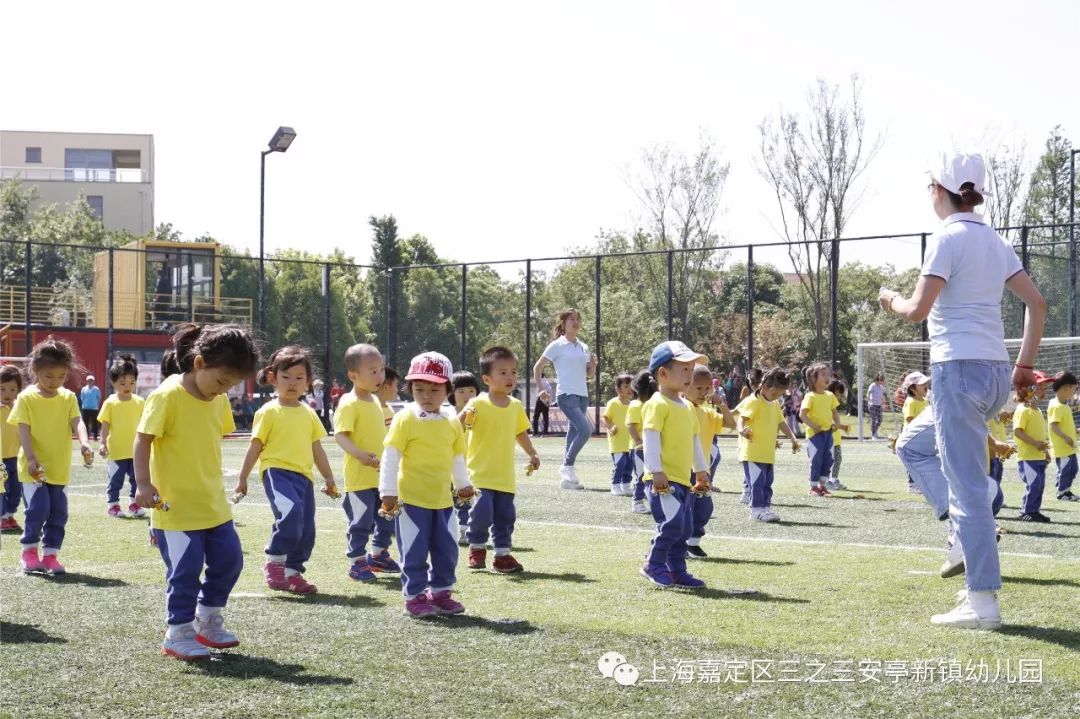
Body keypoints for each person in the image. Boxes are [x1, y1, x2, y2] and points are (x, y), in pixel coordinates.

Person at [880, 151, 1046, 630]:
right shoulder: (994, 240)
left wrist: (889, 299)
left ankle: (982, 604)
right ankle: (975, 516)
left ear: (938, 191)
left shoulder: (947, 238)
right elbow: (1036, 303)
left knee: (969, 492)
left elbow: (915, 310)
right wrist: (1025, 365)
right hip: (995, 372)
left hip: (957, 370)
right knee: (915, 446)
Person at [133, 323, 259, 661]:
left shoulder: (216, 399)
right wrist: (144, 485)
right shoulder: (166, 395)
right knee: (185, 572)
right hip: (175, 508)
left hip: (212, 503)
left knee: (230, 561)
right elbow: (143, 440)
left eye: (232, 385)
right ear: (199, 363)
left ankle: (207, 618)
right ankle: (178, 632)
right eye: (222, 382)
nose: (224, 392)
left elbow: (207, 442)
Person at [235, 346, 338, 595]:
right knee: (290, 516)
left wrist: (329, 477)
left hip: (304, 478)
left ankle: (293, 573)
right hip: (276, 473)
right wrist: (242, 478)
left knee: (306, 529)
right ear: (273, 378)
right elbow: (255, 447)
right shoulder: (268, 411)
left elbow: (317, 450)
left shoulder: (309, 413)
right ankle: (274, 560)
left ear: (308, 382)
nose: (292, 383)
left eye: (299, 378)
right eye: (286, 377)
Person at [379, 352, 474, 618]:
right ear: (410, 389)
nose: (427, 395)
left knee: (447, 549)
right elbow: (391, 455)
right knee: (414, 551)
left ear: (448, 390)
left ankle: (441, 593)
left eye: (435, 389)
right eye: (420, 389)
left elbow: (456, 456)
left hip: (443, 501)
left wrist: (463, 484)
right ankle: (415, 597)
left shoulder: (451, 421)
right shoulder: (405, 418)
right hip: (411, 501)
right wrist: (387, 492)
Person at [8, 338, 91, 575]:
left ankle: (51, 555)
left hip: (59, 468)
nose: (55, 382)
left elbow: (78, 422)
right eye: (48, 376)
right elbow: (21, 427)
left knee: (58, 512)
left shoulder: (67, 397)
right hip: (33, 468)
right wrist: (31, 458)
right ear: (35, 370)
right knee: (38, 508)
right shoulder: (26, 398)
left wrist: (84, 442)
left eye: (61, 376)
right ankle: (29, 551)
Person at [638, 341, 710, 589]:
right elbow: (650, 438)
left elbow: (693, 441)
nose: (690, 374)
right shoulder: (657, 404)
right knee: (672, 524)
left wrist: (701, 471)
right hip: (662, 480)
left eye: (691, 369)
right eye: (684, 369)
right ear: (663, 373)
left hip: (682, 480)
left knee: (685, 527)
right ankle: (653, 564)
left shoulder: (688, 407)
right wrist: (656, 470)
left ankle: (677, 570)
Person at [462, 347, 540, 573]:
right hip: (480, 474)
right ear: (487, 378)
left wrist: (532, 453)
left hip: (505, 476)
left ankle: (502, 555)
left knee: (506, 516)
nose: (510, 377)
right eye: (503, 372)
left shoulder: (515, 406)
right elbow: (459, 425)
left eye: (514, 372)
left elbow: (520, 433)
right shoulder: (477, 403)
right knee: (481, 512)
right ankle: (476, 547)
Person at [335, 344, 399, 582]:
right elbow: (340, 435)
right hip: (360, 478)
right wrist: (360, 455)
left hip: (381, 477)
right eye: (373, 371)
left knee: (387, 517)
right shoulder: (349, 402)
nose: (380, 376)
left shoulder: (374, 401)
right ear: (353, 376)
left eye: (381, 369)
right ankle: (356, 562)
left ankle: (379, 555)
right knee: (360, 522)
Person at [533, 308, 597, 490]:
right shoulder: (557, 345)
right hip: (566, 395)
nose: (575, 322)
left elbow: (589, 375)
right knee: (586, 430)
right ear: (563, 323)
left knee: (573, 432)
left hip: (582, 395)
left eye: (578, 319)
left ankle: (567, 479)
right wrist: (540, 389)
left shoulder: (584, 346)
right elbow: (537, 368)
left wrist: (592, 366)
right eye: (571, 319)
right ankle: (567, 465)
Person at [736, 369, 800, 522]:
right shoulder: (754, 401)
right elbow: (741, 419)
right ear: (763, 386)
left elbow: (781, 422)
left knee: (767, 483)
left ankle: (765, 508)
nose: (776, 397)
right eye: (774, 394)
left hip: (768, 454)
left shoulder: (774, 403)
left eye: (779, 395)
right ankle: (756, 510)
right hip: (753, 453)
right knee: (756, 483)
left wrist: (792, 437)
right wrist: (741, 431)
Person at [684, 364, 735, 555]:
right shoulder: (683, 407)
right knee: (684, 509)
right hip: (683, 470)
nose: (703, 392)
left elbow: (730, 424)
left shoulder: (706, 412)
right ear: (686, 385)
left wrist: (722, 404)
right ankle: (678, 544)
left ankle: (693, 542)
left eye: (707, 388)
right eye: (698, 387)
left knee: (704, 507)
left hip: (702, 471)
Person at [98, 355, 146, 519]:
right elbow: (105, 424)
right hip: (116, 451)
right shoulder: (110, 402)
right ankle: (113, 505)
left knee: (137, 479)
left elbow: (146, 425)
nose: (127, 386)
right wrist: (103, 443)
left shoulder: (140, 402)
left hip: (136, 452)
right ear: (113, 383)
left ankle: (134, 503)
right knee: (115, 481)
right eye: (122, 383)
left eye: (132, 383)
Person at [1012, 373, 1055, 522]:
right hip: (1027, 457)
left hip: (1038, 457)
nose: (1044, 391)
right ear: (1028, 390)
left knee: (1039, 485)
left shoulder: (1037, 410)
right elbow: (1017, 432)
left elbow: (1040, 437)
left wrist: (1045, 452)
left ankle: (1033, 511)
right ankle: (1027, 511)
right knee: (1034, 484)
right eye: (1040, 388)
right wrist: (1036, 444)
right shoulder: (1023, 409)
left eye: (1044, 388)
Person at [799, 362, 840, 498]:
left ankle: (822, 486)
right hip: (814, 436)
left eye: (828, 374)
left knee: (828, 460)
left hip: (828, 434)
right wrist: (814, 426)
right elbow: (802, 415)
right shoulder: (810, 396)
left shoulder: (830, 395)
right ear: (813, 379)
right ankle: (813, 487)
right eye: (823, 374)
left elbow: (834, 412)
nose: (827, 377)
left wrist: (837, 424)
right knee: (816, 460)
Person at [451, 370, 481, 544]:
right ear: (452, 394)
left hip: (475, 463)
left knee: (470, 498)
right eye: (461, 392)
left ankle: (467, 528)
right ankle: (463, 529)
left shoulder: (481, 413)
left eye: (471, 391)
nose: (466, 395)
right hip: (453, 464)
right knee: (459, 498)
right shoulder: (449, 414)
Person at [626, 370, 654, 515]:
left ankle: (650, 498)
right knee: (641, 476)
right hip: (639, 449)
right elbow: (630, 425)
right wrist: (638, 441)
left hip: (651, 447)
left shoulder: (653, 405)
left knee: (651, 475)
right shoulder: (636, 405)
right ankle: (637, 502)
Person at [1047, 371, 1078, 502]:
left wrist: (1075, 431)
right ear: (1065, 388)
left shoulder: (1063, 405)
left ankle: (1066, 490)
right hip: (1062, 447)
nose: (1074, 393)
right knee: (1065, 470)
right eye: (1073, 389)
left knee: (1073, 469)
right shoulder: (1057, 406)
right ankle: (1062, 492)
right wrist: (1065, 437)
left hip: (1069, 446)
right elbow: (1053, 426)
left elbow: (1064, 424)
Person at [1, 365, 25, 533]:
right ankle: (2, 517)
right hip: (0, 458)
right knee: (2, 490)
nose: (7, 393)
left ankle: (9, 514)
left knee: (16, 490)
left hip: (16, 458)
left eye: (12, 389)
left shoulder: (19, 409)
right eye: (2, 389)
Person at [603, 374, 634, 496]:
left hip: (630, 442)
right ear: (618, 389)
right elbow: (605, 418)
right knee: (620, 464)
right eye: (626, 386)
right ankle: (615, 485)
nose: (629, 388)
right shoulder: (613, 403)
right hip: (617, 442)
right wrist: (611, 427)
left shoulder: (633, 404)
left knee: (629, 465)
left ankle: (625, 485)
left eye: (631, 386)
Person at [900, 372, 931, 493]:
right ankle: (912, 484)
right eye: (922, 383)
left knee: (923, 460)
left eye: (926, 383)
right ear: (912, 388)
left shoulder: (925, 401)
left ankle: (922, 482)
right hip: (912, 436)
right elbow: (909, 418)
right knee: (913, 460)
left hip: (923, 435)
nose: (926, 385)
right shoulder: (910, 401)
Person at [826, 380, 852, 491]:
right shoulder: (828, 401)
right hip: (829, 439)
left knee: (837, 459)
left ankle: (833, 479)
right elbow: (831, 424)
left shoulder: (832, 404)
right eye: (839, 393)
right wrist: (843, 427)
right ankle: (829, 481)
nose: (840, 396)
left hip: (835, 439)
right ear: (835, 391)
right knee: (833, 460)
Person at [80, 374, 102, 442]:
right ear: (86, 381)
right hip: (85, 408)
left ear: (93, 381)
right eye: (89, 380)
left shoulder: (96, 389)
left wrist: (95, 405)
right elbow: (82, 398)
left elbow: (99, 398)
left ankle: (95, 437)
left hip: (94, 409)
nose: (90, 382)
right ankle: (86, 437)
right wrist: (85, 404)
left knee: (94, 423)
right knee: (85, 423)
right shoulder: (83, 389)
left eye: (91, 380)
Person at [867, 373, 886, 439]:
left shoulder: (881, 387)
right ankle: (873, 434)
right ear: (878, 380)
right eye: (882, 380)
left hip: (879, 405)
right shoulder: (872, 385)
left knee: (880, 419)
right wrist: (869, 401)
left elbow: (882, 395)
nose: (883, 381)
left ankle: (875, 431)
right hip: (873, 405)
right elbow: (868, 393)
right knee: (874, 419)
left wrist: (883, 401)